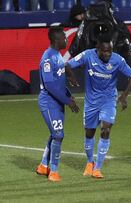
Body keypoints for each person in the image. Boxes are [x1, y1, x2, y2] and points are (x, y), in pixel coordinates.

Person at [65, 34, 131, 178]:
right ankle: (90, 162)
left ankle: (97, 168)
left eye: (109, 50)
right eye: (104, 51)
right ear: (97, 49)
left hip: (109, 100)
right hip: (91, 102)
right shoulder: (88, 55)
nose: (107, 54)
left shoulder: (117, 60)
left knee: (106, 129)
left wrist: (124, 95)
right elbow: (67, 65)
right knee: (89, 133)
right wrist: (71, 76)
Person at [35, 26, 80, 182]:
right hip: (49, 102)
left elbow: (62, 72)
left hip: (58, 102)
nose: (66, 39)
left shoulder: (58, 56)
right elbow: (50, 85)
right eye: (64, 37)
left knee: (55, 133)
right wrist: (68, 101)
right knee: (59, 135)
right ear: (56, 40)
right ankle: (53, 171)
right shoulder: (48, 57)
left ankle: (42, 166)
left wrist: (70, 81)